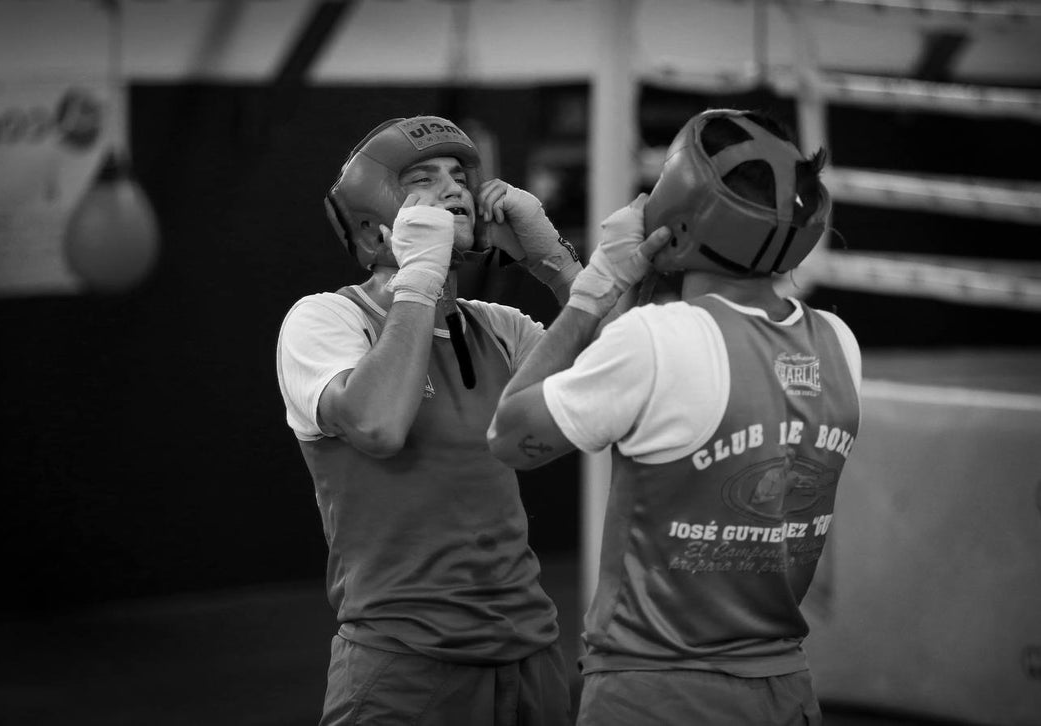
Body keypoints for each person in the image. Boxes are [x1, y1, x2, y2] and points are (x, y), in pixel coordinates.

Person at [487, 108, 862, 725]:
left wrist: (594, 289)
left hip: (656, 690)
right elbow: (691, 370)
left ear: (682, 209)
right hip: (786, 690)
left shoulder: (656, 342)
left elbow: (509, 435)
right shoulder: (837, 344)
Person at [276, 115, 584, 725]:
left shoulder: (500, 326)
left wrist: (558, 268)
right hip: (405, 662)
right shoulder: (326, 321)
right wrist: (418, 273)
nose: (455, 190)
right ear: (375, 228)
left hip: (532, 652)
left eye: (457, 177)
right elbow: (378, 426)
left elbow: (630, 385)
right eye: (424, 179)